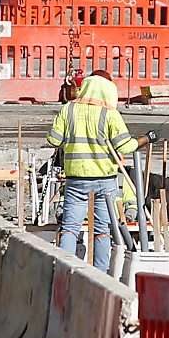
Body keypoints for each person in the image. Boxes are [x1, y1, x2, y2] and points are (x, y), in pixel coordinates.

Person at [47, 72, 135, 273]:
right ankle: (100, 274)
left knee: (69, 228)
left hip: (76, 180)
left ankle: (65, 271)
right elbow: (126, 146)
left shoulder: (67, 110)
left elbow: (53, 140)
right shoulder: (110, 114)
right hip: (104, 181)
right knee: (102, 231)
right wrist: (146, 139)